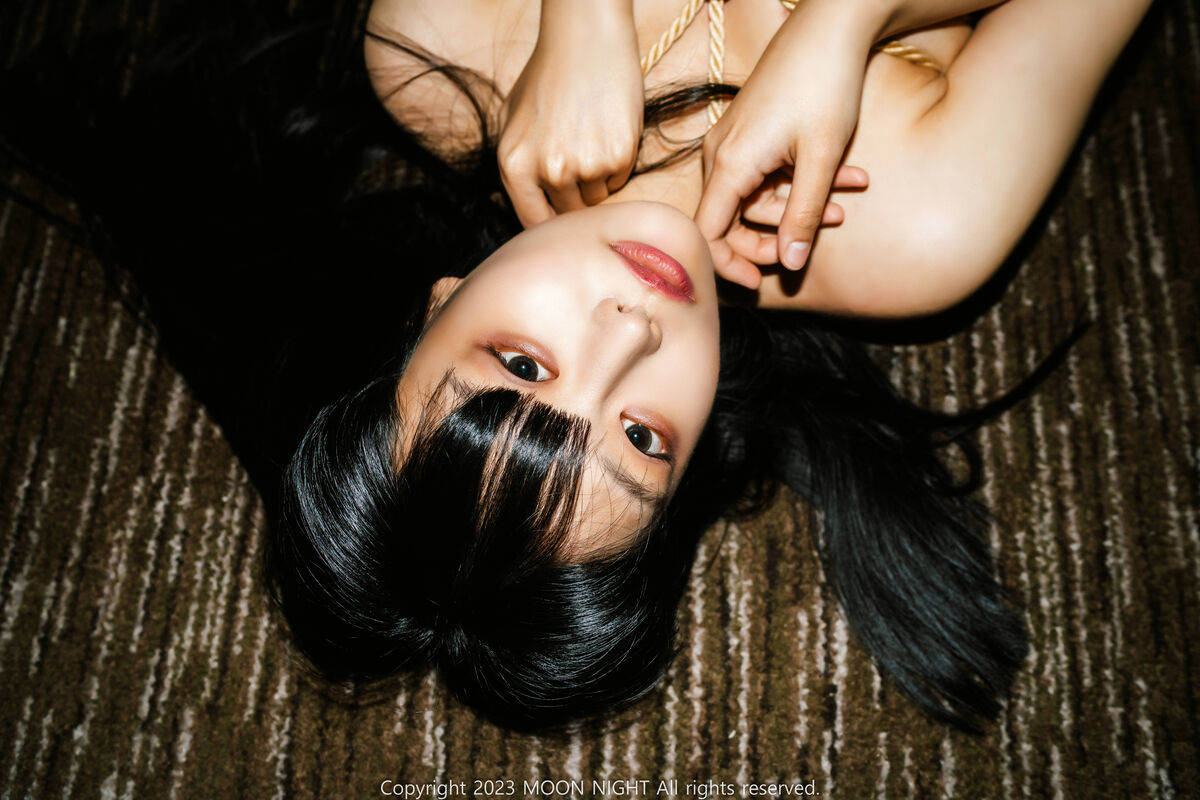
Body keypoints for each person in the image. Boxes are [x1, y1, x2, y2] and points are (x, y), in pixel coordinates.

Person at [0, 0, 1147, 734]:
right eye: (642, 436)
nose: (631, 331)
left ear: (435, 306)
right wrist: (842, 27)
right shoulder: (916, 228)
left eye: (519, 360)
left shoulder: (441, 46)